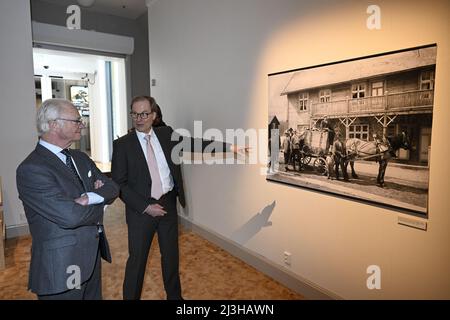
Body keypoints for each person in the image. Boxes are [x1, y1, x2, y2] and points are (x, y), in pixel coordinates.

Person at [111, 95, 247, 300]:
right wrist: (146, 207)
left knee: (171, 258)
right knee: (137, 262)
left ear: (153, 115)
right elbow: (118, 184)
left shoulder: (166, 134)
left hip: (167, 204)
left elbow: (195, 143)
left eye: (144, 114)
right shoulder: (123, 145)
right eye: (135, 114)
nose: (139, 118)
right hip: (141, 210)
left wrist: (230, 147)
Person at [16, 99, 119, 300]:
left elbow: (113, 188)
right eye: (76, 120)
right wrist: (102, 204)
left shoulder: (80, 157)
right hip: (61, 267)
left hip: (92, 257)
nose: (82, 124)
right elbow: (70, 216)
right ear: (54, 124)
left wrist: (89, 198)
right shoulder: (32, 169)